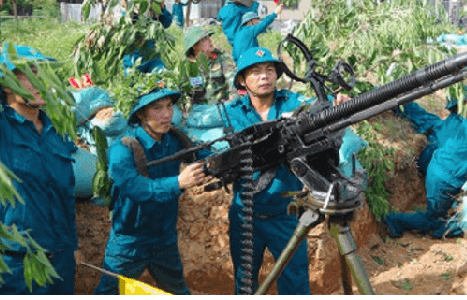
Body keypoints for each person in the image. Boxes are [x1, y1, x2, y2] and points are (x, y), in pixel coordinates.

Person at [0, 0, 80, 295]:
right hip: (12, 266)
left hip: (59, 261)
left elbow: (65, 195)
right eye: (27, 74)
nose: (38, 81)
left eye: (41, 73)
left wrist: (71, 245)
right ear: (6, 85)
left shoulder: (55, 133)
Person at [94, 84, 209, 295]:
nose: (166, 115)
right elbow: (136, 189)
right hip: (130, 240)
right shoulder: (123, 148)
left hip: (164, 238)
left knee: (176, 290)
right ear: (141, 114)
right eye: (157, 108)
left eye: (169, 106)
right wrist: (178, 182)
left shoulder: (175, 139)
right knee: (109, 292)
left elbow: (202, 155)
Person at [222, 47, 311, 295]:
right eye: (256, 72)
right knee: (245, 282)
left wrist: (336, 107)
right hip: (245, 214)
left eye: (270, 70)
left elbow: (317, 112)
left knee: (295, 281)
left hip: (285, 214)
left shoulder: (292, 103)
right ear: (242, 80)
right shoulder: (231, 112)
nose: (265, 77)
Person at [384, 85, 467, 239]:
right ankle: (395, 220)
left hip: (440, 170)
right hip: (444, 179)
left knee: (444, 216)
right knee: (435, 221)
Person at [184, 26, 230, 105]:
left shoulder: (221, 58)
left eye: (208, 37)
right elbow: (185, 96)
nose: (209, 40)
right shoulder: (188, 67)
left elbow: (232, 83)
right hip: (199, 110)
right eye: (204, 39)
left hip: (223, 106)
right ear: (194, 46)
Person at [122, 5, 173, 74]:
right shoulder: (127, 13)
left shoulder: (152, 10)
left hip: (151, 55)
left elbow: (166, 22)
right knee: (131, 79)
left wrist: (162, 7)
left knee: (160, 75)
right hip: (132, 57)